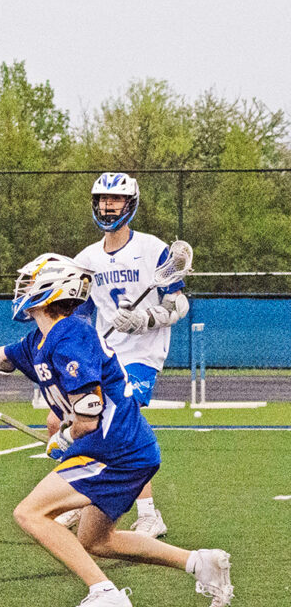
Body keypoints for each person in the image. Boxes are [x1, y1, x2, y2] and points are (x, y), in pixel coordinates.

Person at [0, 253, 232, 607]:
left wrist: (64, 438)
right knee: (96, 540)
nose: (20, 289)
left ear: (50, 290)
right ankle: (200, 564)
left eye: (28, 282)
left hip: (113, 449)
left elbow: (89, 412)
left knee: (30, 513)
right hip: (126, 448)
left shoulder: (69, 335)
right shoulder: (40, 339)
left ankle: (105, 593)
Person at [58, 172, 189, 538]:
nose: (106, 206)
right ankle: (77, 498)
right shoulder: (85, 258)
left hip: (143, 354)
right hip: (106, 355)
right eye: (101, 200)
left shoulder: (153, 249)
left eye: (113, 200)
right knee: (80, 424)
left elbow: (178, 303)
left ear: (129, 205)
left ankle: (148, 513)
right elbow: (81, 315)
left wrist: (145, 318)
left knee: (117, 423)